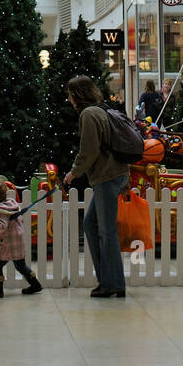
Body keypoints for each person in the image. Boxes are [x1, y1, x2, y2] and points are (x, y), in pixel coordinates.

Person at [64, 75, 130, 298]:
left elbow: (89, 150)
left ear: (77, 95)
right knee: (91, 223)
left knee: (105, 230)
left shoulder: (88, 115)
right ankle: (107, 279)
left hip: (106, 177)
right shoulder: (101, 110)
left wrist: (74, 173)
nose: (69, 100)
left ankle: (113, 284)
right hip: (115, 174)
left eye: (70, 95)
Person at [0, 177, 42, 298]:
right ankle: (35, 284)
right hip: (17, 241)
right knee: (20, 265)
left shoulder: (0, 210)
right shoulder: (11, 205)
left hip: (7, 243)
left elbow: (1, 227)